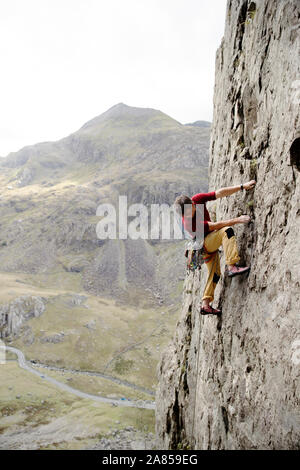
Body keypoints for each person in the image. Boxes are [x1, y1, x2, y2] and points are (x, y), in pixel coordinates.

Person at [174, 180, 256, 315]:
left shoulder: (197, 199)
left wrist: (242, 186)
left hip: (205, 244)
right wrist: (238, 219)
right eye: (185, 215)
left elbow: (219, 193)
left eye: (189, 212)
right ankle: (232, 266)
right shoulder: (189, 223)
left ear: (193, 204)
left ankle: (205, 305)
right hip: (205, 244)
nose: (188, 216)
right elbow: (215, 226)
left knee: (215, 273)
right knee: (227, 231)